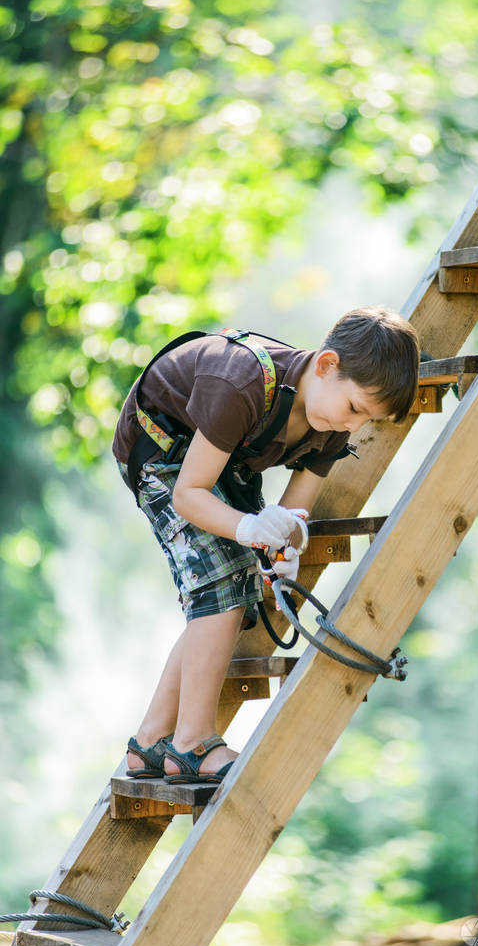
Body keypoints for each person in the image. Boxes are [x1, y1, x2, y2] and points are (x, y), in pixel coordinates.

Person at [112, 306, 420, 784]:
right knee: (219, 581)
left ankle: (151, 741)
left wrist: (285, 544)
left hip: (226, 463)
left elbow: (296, 512)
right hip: (164, 453)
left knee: (235, 584)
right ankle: (191, 742)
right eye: (356, 408)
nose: (353, 427)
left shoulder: (329, 427)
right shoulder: (242, 383)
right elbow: (189, 495)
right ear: (326, 365)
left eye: (367, 421)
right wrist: (247, 529)